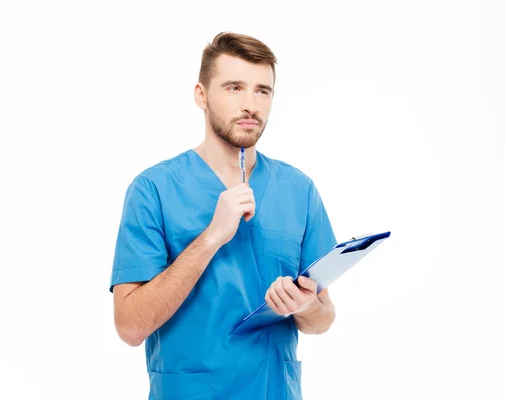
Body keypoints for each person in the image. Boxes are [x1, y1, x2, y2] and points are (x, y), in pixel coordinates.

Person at [110, 32, 337, 400]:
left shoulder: (299, 190)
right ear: (201, 95)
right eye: (234, 87)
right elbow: (130, 326)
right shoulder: (153, 190)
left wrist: (305, 305)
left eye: (263, 91)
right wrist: (212, 235)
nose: (251, 104)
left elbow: (324, 318)